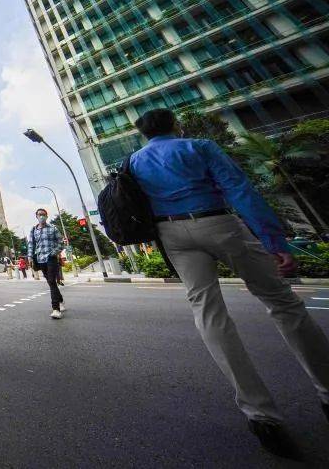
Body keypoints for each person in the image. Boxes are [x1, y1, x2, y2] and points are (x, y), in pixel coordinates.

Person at [130, 108, 329, 459]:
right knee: (282, 302)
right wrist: (274, 241)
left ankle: (260, 416)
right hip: (217, 222)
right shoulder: (199, 146)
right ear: (175, 125)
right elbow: (239, 189)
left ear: (144, 134)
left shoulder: (134, 162)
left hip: (171, 234)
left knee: (208, 312)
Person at [27, 209, 65, 319]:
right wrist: (30, 257)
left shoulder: (53, 228)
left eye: (43, 215)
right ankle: (60, 300)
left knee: (52, 281)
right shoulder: (33, 230)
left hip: (51, 258)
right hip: (40, 260)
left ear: (47, 216)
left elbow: (61, 242)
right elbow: (31, 244)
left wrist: (54, 252)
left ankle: (56, 309)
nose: (41, 216)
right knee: (50, 282)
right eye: (39, 214)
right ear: (36, 216)